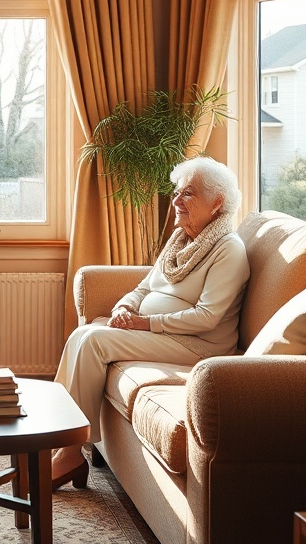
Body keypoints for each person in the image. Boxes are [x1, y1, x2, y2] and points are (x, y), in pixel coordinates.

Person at [51, 157, 250, 491]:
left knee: (94, 341)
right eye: (178, 192)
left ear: (216, 203)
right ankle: (55, 436)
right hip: (166, 335)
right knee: (82, 334)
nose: (176, 201)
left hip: (198, 347)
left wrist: (144, 323)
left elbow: (207, 317)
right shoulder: (180, 241)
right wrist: (124, 306)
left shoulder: (228, 249)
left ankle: (70, 453)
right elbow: (146, 286)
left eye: (188, 194)